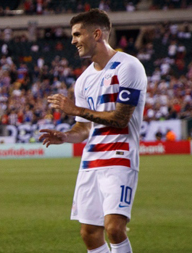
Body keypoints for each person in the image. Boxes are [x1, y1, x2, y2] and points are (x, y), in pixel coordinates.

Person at [39, 9, 147, 253]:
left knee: (114, 228)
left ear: (97, 34)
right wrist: (66, 136)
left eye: (77, 34)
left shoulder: (128, 67)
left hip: (120, 158)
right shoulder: (84, 80)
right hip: (91, 162)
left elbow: (120, 118)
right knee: (89, 233)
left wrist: (75, 108)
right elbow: (85, 127)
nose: (73, 40)